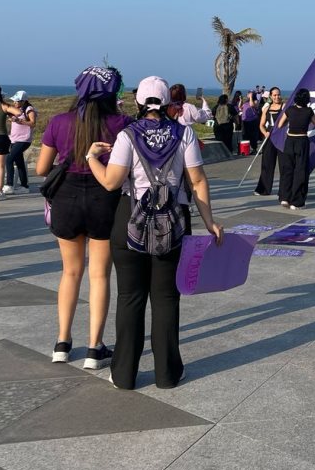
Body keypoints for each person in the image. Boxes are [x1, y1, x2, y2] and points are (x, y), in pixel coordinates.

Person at [86, 76, 223, 390]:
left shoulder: (126, 136)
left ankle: (123, 374)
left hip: (129, 221)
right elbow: (198, 181)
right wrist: (210, 221)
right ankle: (167, 373)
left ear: (138, 102)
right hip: (173, 222)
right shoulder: (184, 133)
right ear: (168, 102)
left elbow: (110, 181)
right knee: (165, 299)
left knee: (130, 298)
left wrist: (91, 157)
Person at [36, 66, 130, 368]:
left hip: (67, 197)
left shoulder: (59, 122)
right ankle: (94, 347)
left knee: (70, 272)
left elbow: (41, 169)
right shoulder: (122, 123)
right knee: (100, 274)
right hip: (106, 197)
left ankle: (62, 343)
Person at [275, 88, 315, 210]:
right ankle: (296, 201)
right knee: (300, 171)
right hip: (302, 141)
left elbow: (279, 124)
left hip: (290, 141)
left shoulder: (290, 110)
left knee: (287, 169)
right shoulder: (308, 111)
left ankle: (284, 197)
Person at [3, 90, 37, 194]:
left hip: (24, 140)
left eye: (17, 101)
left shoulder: (29, 109)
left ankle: (9, 185)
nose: (15, 103)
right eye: (14, 101)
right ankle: (24, 186)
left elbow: (33, 123)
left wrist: (20, 121)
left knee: (9, 159)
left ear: (23, 101)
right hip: (14, 139)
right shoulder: (16, 109)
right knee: (19, 162)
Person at [254, 87, 284, 196]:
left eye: (278, 94)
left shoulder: (284, 107)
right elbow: (261, 125)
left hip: (281, 139)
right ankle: (264, 189)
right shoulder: (267, 109)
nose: (277, 97)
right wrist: (265, 132)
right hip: (269, 138)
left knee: (284, 166)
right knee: (267, 164)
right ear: (271, 96)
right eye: (275, 95)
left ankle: (284, 191)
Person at [241, 87, 262, 153]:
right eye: (249, 93)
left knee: (253, 135)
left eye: (251, 94)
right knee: (245, 135)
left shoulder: (256, 101)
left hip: (253, 120)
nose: (249, 94)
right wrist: (241, 100)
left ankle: (254, 149)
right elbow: (240, 107)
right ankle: (246, 149)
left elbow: (252, 105)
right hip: (245, 120)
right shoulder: (245, 102)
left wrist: (251, 98)